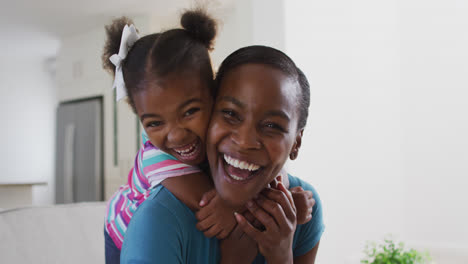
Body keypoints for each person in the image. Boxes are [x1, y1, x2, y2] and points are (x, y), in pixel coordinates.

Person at [101, 10, 315, 263]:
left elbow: (259, 177)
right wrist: (240, 206)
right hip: (120, 231)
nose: (177, 134)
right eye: (155, 122)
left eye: (190, 111)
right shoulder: (157, 161)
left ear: (214, 95)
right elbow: (213, 206)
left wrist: (285, 195)